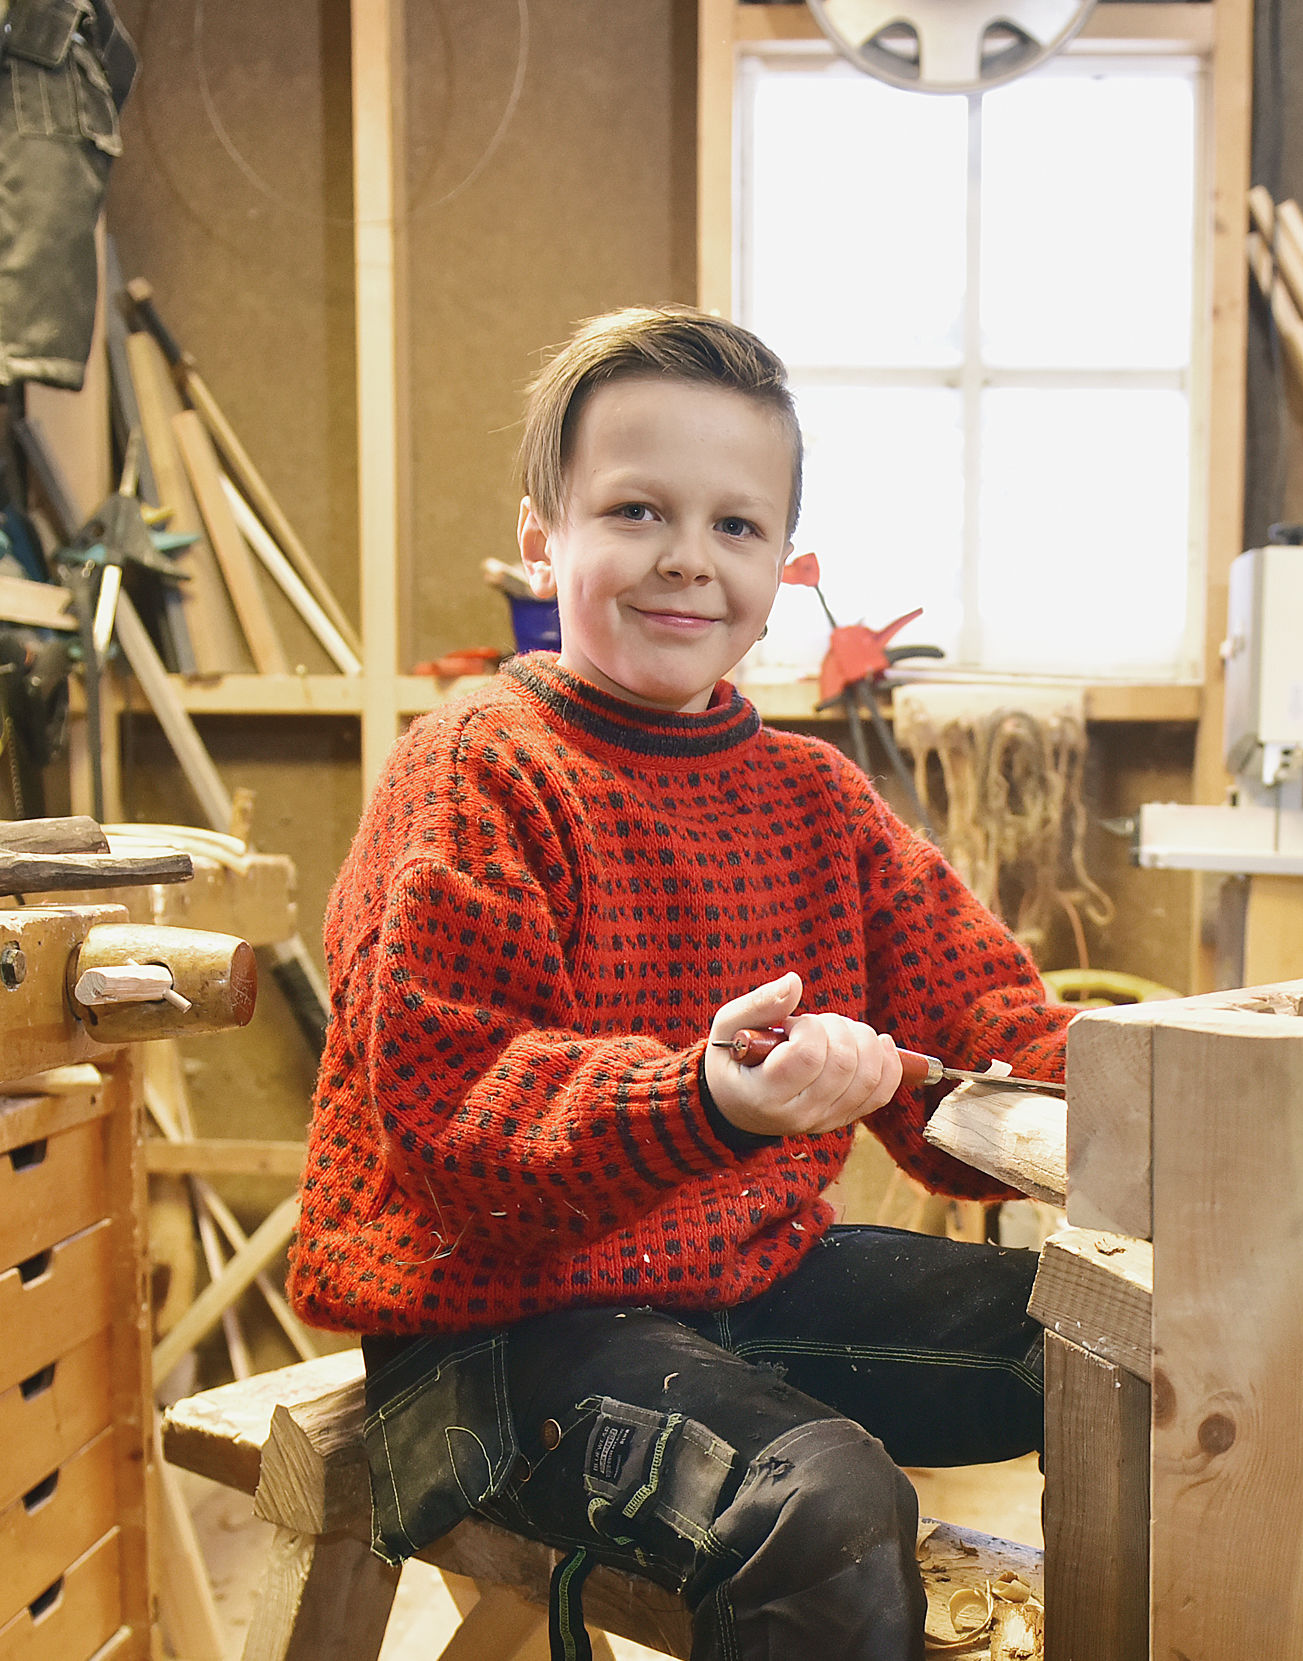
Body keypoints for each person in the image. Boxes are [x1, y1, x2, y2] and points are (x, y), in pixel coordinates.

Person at [294, 306, 1073, 1659]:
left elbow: (990, 1018)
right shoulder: (479, 765)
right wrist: (701, 1100)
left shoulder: (810, 795)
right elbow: (451, 1114)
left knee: (1114, 1349)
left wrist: (1169, 1093)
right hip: (490, 1332)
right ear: (542, 533)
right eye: (636, 509)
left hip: (739, 1288)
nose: (684, 562)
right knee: (821, 1507)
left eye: (734, 526)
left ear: (781, 559)